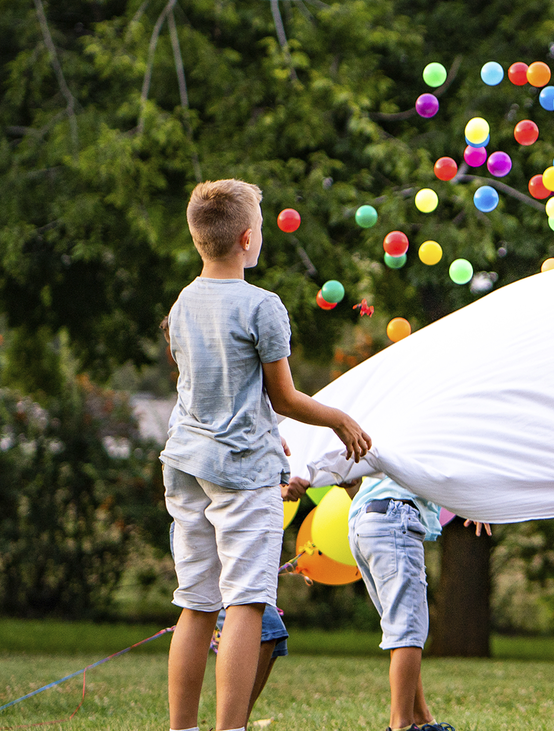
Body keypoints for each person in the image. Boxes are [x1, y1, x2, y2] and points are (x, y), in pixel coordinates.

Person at [160, 179, 371, 731]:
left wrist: (256, 421)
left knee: (196, 604)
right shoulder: (262, 306)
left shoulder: (183, 303)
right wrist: (340, 419)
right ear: (249, 238)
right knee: (247, 603)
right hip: (240, 472)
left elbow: (203, 385)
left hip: (185, 463)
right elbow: (285, 397)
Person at [296, 471, 485, 731]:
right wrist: (473, 505)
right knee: (408, 630)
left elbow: (353, 483)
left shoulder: (390, 432)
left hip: (364, 522)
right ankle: (401, 726)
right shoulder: (428, 432)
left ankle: (422, 719)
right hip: (395, 520)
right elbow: (442, 472)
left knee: (400, 629)